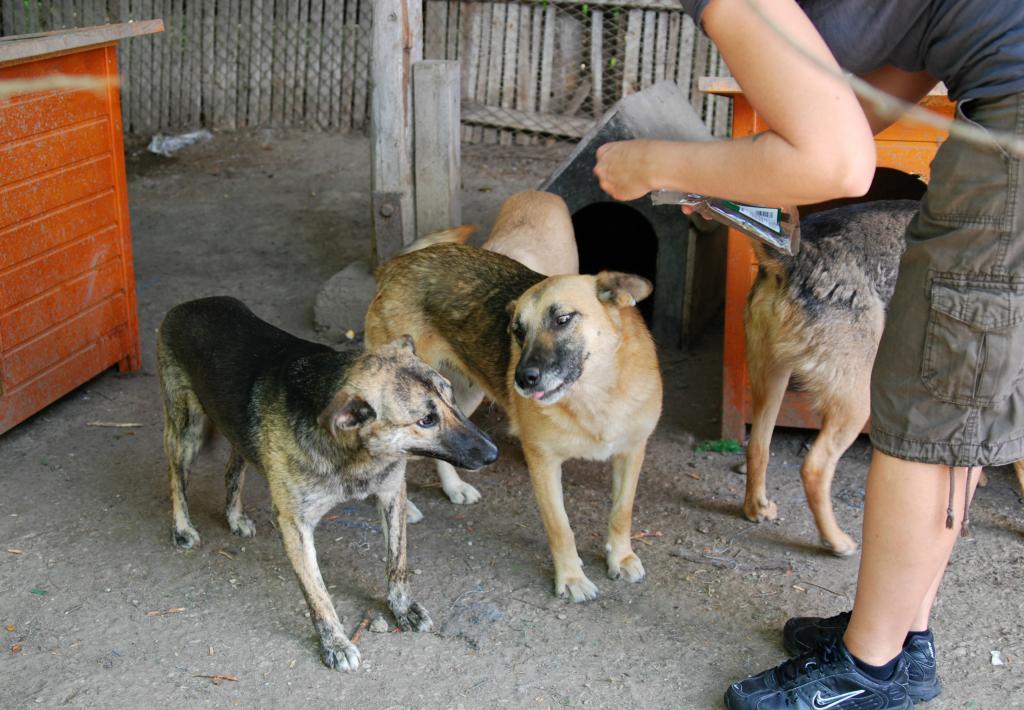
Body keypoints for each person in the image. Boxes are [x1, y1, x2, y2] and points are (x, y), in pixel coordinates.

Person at [593, 1, 1024, 708]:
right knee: (955, 385)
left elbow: (836, 160)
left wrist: (650, 161)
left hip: (1010, 127)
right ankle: (899, 638)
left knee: (935, 406)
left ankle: (872, 672)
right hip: (993, 113)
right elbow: (868, 106)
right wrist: (732, 175)